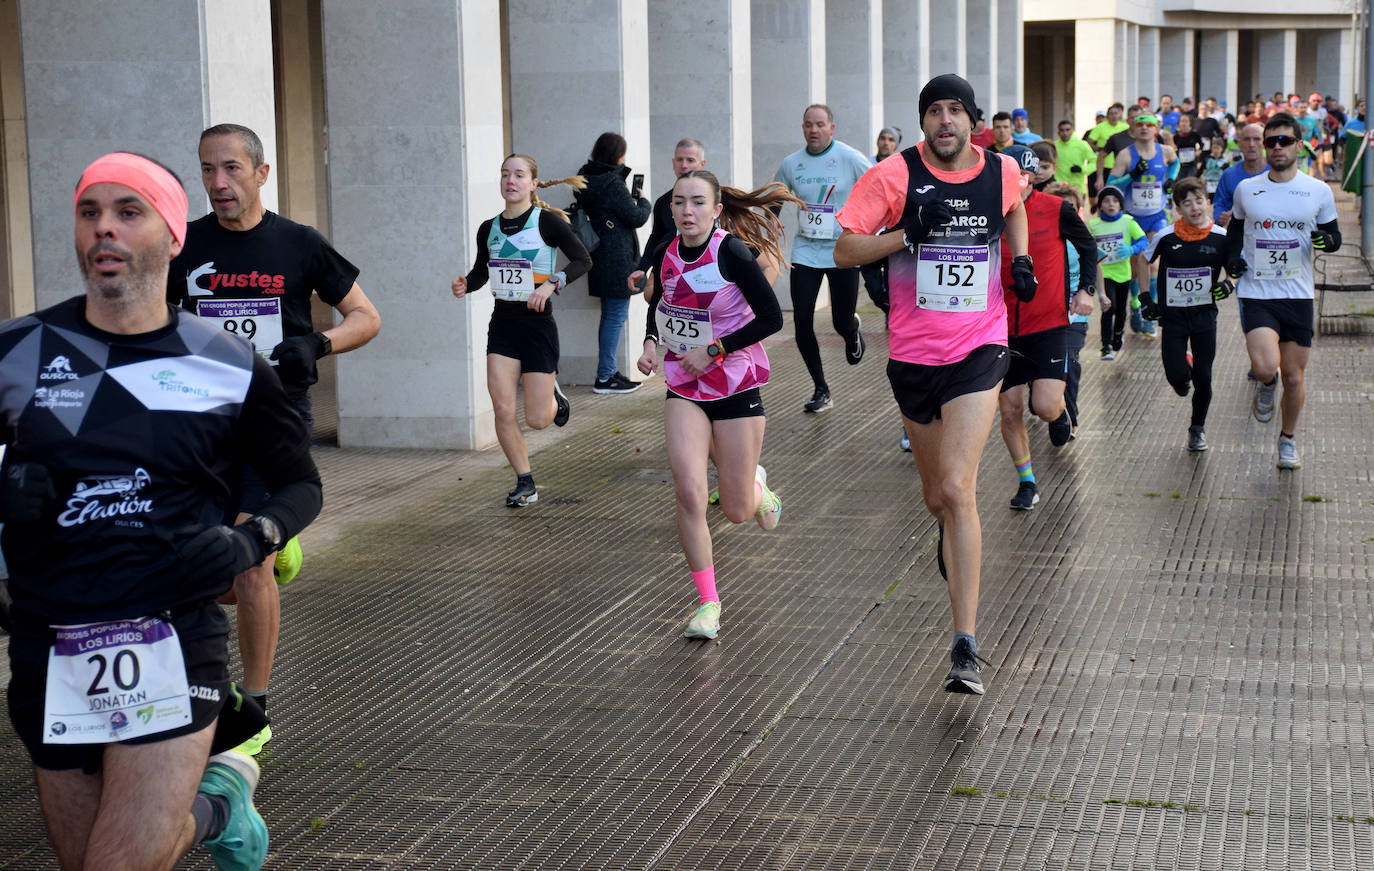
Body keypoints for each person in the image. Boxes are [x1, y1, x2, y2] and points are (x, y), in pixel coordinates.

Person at [2, 151, 323, 870]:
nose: (104, 229)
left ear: (173, 235)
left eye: (127, 212)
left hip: (170, 636)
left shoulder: (227, 364)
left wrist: (250, 543)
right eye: (90, 213)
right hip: (49, 640)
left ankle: (208, 797)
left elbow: (300, 483)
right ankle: (216, 809)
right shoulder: (21, 351)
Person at [169, 123, 380, 755]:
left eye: (231, 169)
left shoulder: (298, 244)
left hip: (272, 424)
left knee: (250, 564)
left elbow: (367, 318)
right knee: (210, 574)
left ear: (262, 173)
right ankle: (278, 547)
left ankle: (253, 713)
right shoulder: (185, 246)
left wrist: (317, 343)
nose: (218, 183)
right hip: (201, 429)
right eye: (208, 170)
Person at [835, 73, 1033, 695]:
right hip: (914, 356)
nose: (945, 121)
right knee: (935, 499)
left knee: (958, 485)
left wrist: (1020, 259)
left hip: (979, 345)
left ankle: (965, 646)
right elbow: (844, 250)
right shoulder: (893, 176)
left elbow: (1016, 203)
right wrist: (906, 234)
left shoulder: (999, 170)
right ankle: (949, 534)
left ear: (973, 120)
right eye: (934, 111)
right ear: (922, 122)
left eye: (956, 110)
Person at [636, 171, 791, 640]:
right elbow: (662, 303)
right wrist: (649, 342)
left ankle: (758, 489)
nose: (686, 211)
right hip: (683, 386)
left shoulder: (731, 253)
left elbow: (771, 318)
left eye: (697, 202)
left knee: (739, 509)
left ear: (716, 209)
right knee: (688, 491)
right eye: (679, 202)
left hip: (735, 386)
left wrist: (715, 349)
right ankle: (708, 604)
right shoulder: (666, 252)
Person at [450, 154, 592, 506]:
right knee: (501, 408)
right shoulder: (488, 228)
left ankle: (554, 396)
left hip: (538, 327)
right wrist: (465, 284)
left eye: (518, 175)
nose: (510, 181)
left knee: (539, 419)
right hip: (503, 325)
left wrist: (550, 286)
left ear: (532, 183)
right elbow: (482, 272)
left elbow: (582, 259)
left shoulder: (547, 222)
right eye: (505, 175)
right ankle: (524, 481)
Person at [1227, 112, 1340, 470]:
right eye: (1270, 141)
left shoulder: (1318, 191)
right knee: (1265, 366)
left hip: (1298, 294)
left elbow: (1334, 237)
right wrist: (1231, 262)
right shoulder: (1248, 189)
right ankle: (1264, 383)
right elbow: (1234, 233)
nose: (1276, 147)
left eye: (1284, 141)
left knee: (1293, 376)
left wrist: (1326, 240)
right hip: (1257, 291)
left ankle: (1287, 439)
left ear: (1298, 145)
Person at [996, 146, 1097, 512]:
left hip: (1050, 325)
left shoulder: (1057, 209)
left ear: (1035, 176)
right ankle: (1027, 481)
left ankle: (1060, 414)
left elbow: (1089, 248)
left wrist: (1086, 290)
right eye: (1012, 174)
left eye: (1026, 175)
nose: (1019, 182)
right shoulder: (987, 212)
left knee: (1043, 406)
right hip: (1000, 329)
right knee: (1010, 411)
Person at [773, 104, 872, 413]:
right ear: (802, 128)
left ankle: (851, 330)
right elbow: (775, 196)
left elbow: (877, 187)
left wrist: (864, 223)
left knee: (840, 320)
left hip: (843, 248)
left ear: (832, 127)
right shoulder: (792, 163)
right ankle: (821, 388)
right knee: (802, 321)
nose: (813, 130)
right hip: (806, 249)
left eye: (819, 124)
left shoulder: (850, 157)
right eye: (807, 125)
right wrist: (769, 224)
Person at [1136, 177, 1233, 451]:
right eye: (1187, 203)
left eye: (1199, 201)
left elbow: (1236, 268)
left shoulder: (1221, 237)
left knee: (1204, 376)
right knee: (1177, 377)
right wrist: (1145, 297)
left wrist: (1229, 284)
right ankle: (1182, 375)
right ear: (1178, 208)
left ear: (1208, 203)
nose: (1195, 208)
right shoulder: (1167, 236)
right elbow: (1143, 260)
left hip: (1204, 318)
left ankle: (1197, 428)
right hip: (1173, 318)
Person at [575, 131, 653, 394]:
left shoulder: (584, 178)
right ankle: (606, 376)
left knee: (610, 316)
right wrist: (643, 199)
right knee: (615, 316)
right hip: (618, 257)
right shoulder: (612, 184)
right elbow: (636, 217)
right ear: (619, 156)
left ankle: (607, 372)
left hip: (597, 254)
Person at [1044, 182, 1096, 436]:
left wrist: (1098, 294)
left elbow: (1096, 267)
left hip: (1074, 310)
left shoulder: (1083, 237)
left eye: (1072, 208)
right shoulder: (1038, 236)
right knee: (1043, 370)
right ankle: (1052, 408)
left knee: (1071, 362)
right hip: (1044, 312)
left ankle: (1070, 418)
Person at [628, 138, 706, 293]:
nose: (684, 165)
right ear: (673, 162)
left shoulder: (717, 199)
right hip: (671, 280)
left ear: (702, 164)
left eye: (690, 160)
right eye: (680, 159)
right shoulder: (663, 202)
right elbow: (656, 236)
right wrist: (642, 267)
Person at [1089, 186, 1147, 359]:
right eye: (1106, 201)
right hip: (1104, 273)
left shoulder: (1128, 222)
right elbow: (1087, 247)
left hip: (1123, 273)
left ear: (1121, 205)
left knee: (1121, 310)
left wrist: (1131, 249)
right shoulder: (1093, 225)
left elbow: (1144, 241)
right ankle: (1105, 345)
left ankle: (1118, 335)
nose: (1111, 204)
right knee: (1108, 307)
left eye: (1115, 201)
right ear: (1100, 205)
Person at [1213, 123, 1268, 226]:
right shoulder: (1229, 174)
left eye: (1257, 139)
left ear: (1265, 143)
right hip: (1239, 236)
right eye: (1247, 139)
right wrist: (1220, 217)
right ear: (1239, 144)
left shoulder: (1276, 171)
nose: (1251, 144)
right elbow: (1220, 205)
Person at [1053, 119, 1096, 197]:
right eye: (1062, 130)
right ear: (1058, 132)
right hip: (1059, 188)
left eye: (1067, 130)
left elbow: (1094, 162)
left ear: (1072, 130)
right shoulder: (1054, 146)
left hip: (1077, 189)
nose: (1065, 133)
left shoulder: (1082, 145)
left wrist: (1082, 169)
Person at [1173, 113, 1204, 179]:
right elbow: (1173, 148)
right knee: (1181, 182)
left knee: (1190, 181)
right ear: (1179, 123)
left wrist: (1199, 151)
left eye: (1186, 121)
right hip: (1180, 165)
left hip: (1192, 164)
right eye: (1182, 121)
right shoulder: (1176, 136)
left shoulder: (1194, 135)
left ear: (1190, 123)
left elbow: (1202, 145)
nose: (1184, 123)